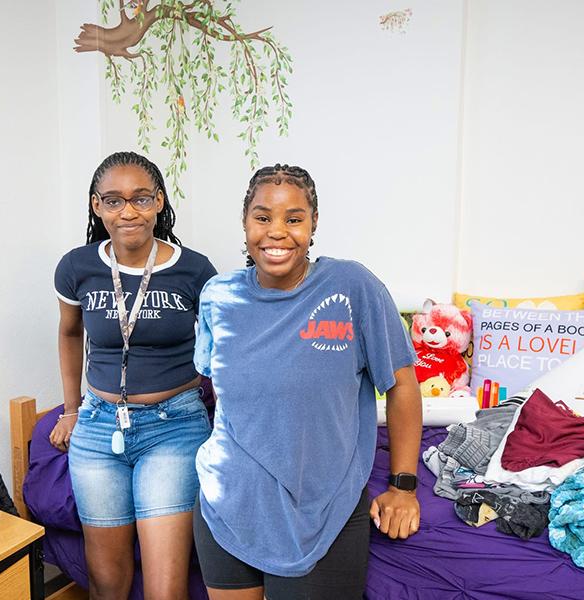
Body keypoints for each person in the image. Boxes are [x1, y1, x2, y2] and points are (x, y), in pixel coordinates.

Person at [192, 164, 423, 600]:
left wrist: (403, 486)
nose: (277, 232)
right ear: (245, 222)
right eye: (263, 217)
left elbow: (402, 384)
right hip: (228, 500)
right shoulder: (218, 296)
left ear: (313, 224)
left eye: (293, 218)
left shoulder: (352, 286)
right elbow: (220, 393)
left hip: (321, 509)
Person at [50, 151, 217, 600]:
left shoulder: (195, 270)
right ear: (97, 206)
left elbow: (219, 352)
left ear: (159, 201)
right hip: (97, 427)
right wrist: (70, 410)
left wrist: (226, 426)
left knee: (165, 591)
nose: (128, 212)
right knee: (107, 584)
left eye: (141, 198)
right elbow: (69, 334)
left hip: (174, 426)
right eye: (114, 200)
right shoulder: (76, 267)